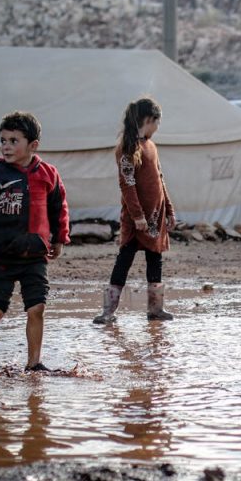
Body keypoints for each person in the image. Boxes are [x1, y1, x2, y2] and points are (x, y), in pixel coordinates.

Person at [0, 111, 69, 372]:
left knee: (37, 308)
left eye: (13, 141)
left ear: (33, 145)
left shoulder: (48, 174)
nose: (6, 146)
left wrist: (60, 238)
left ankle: (34, 363)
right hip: (3, 256)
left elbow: (59, 208)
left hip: (35, 256)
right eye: (3, 141)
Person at [94, 98, 176, 325]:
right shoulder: (127, 149)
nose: (158, 127)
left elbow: (160, 179)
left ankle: (155, 310)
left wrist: (169, 209)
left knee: (155, 260)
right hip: (135, 219)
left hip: (155, 217)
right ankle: (108, 312)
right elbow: (127, 185)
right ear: (149, 120)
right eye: (157, 122)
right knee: (124, 260)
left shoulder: (151, 146)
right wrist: (137, 216)